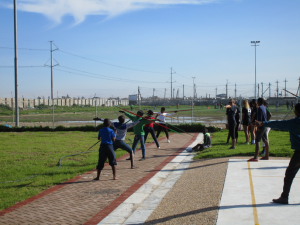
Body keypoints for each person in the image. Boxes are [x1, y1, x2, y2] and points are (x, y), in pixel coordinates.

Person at [254, 103, 300, 204]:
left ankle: (284, 197)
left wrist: (262, 123)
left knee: (289, 174)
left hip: (299, 153)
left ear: (297, 112)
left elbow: (278, 124)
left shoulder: (294, 122)